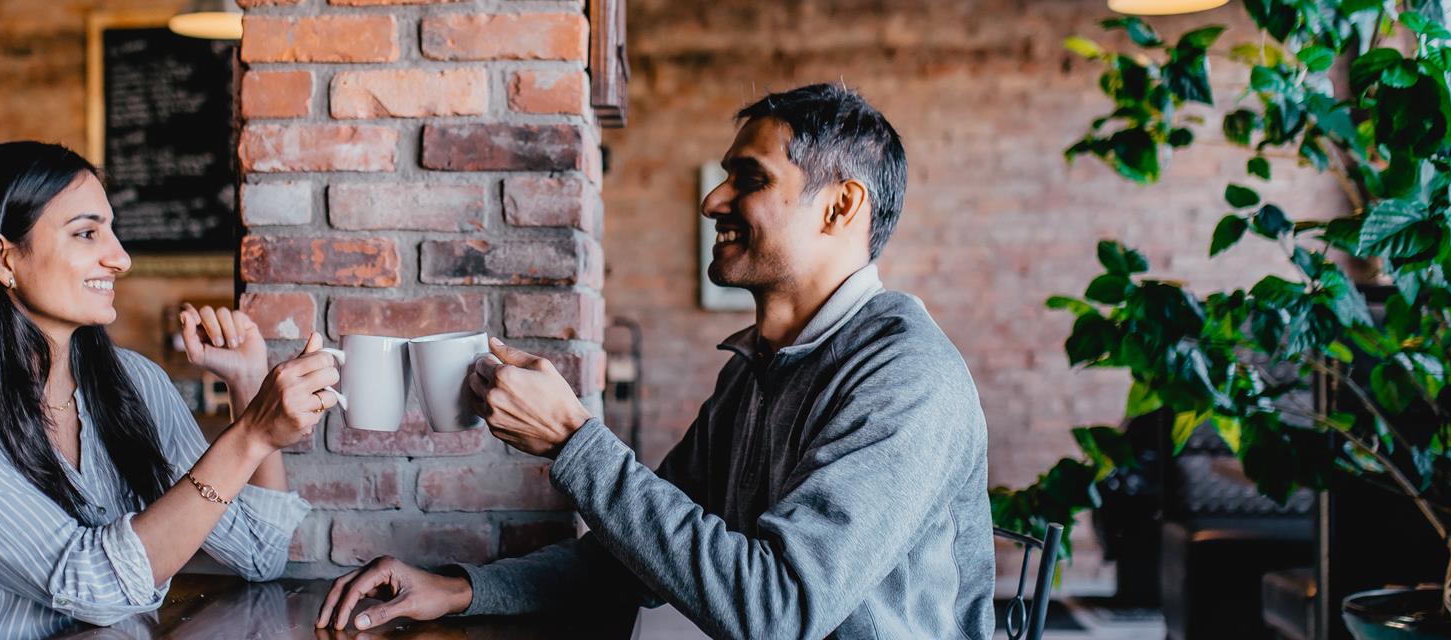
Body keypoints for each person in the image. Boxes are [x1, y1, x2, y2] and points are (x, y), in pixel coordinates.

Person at [317, 83, 996, 639]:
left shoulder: (906, 380)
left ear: (841, 207)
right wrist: (462, 590)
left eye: (748, 178)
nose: (712, 201)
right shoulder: (754, 372)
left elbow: (777, 610)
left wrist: (575, 443)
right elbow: (624, 563)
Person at [0, 141, 336, 639]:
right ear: (4, 259)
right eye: (87, 233)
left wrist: (247, 386)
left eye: (111, 232)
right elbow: (91, 583)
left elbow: (258, 555)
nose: (121, 259)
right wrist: (248, 437)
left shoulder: (135, 383)